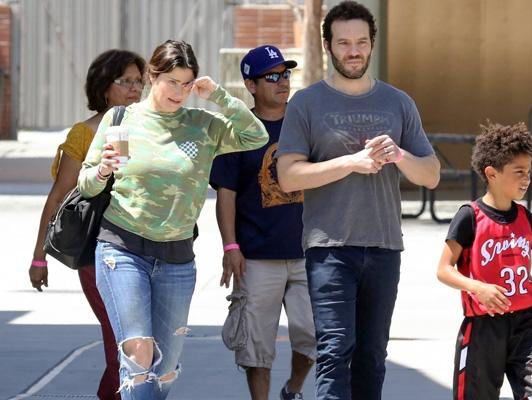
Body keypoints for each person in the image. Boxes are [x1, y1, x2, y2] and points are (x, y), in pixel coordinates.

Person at [77, 40, 268, 399]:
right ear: (152, 77)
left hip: (177, 259)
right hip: (122, 250)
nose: (179, 92)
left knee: (163, 370)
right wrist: (102, 169)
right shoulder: (121, 120)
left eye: (187, 83)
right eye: (171, 82)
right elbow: (86, 186)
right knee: (139, 355)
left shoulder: (202, 124)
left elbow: (255, 135)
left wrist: (220, 96)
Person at [275, 1, 441, 398]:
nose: (354, 51)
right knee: (334, 351)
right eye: (344, 42)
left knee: (372, 356)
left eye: (361, 42)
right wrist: (350, 162)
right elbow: (288, 176)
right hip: (329, 249)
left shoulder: (398, 102)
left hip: (384, 248)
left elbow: (431, 175)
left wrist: (399, 155)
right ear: (328, 45)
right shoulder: (306, 103)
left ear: (372, 44)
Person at [28, 49, 145, 400]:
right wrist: (38, 257)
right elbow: (58, 196)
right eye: (124, 81)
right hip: (98, 255)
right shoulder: (85, 133)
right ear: (103, 88)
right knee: (120, 343)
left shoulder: (152, 127)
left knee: (145, 347)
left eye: (139, 81)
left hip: (148, 249)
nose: (134, 88)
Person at [436, 121, 532, 400]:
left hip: (526, 324)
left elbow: (525, 279)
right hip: (483, 328)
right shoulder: (469, 216)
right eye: (519, 172)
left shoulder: (526, 219)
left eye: (528, 172)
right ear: (491, 173)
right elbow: (443, 270)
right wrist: (478, 288)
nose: (526, 179)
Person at [210, 44, 315, 400]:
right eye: (272, 76)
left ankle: (293, 389)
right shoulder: (235, 131)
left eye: (286, 73)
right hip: (255, 257)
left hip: (307, 252)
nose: (282, 81)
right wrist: (230, 247)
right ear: (250, 85)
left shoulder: (305, 122)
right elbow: (226, 194)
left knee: (314, 334)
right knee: (256, 347)